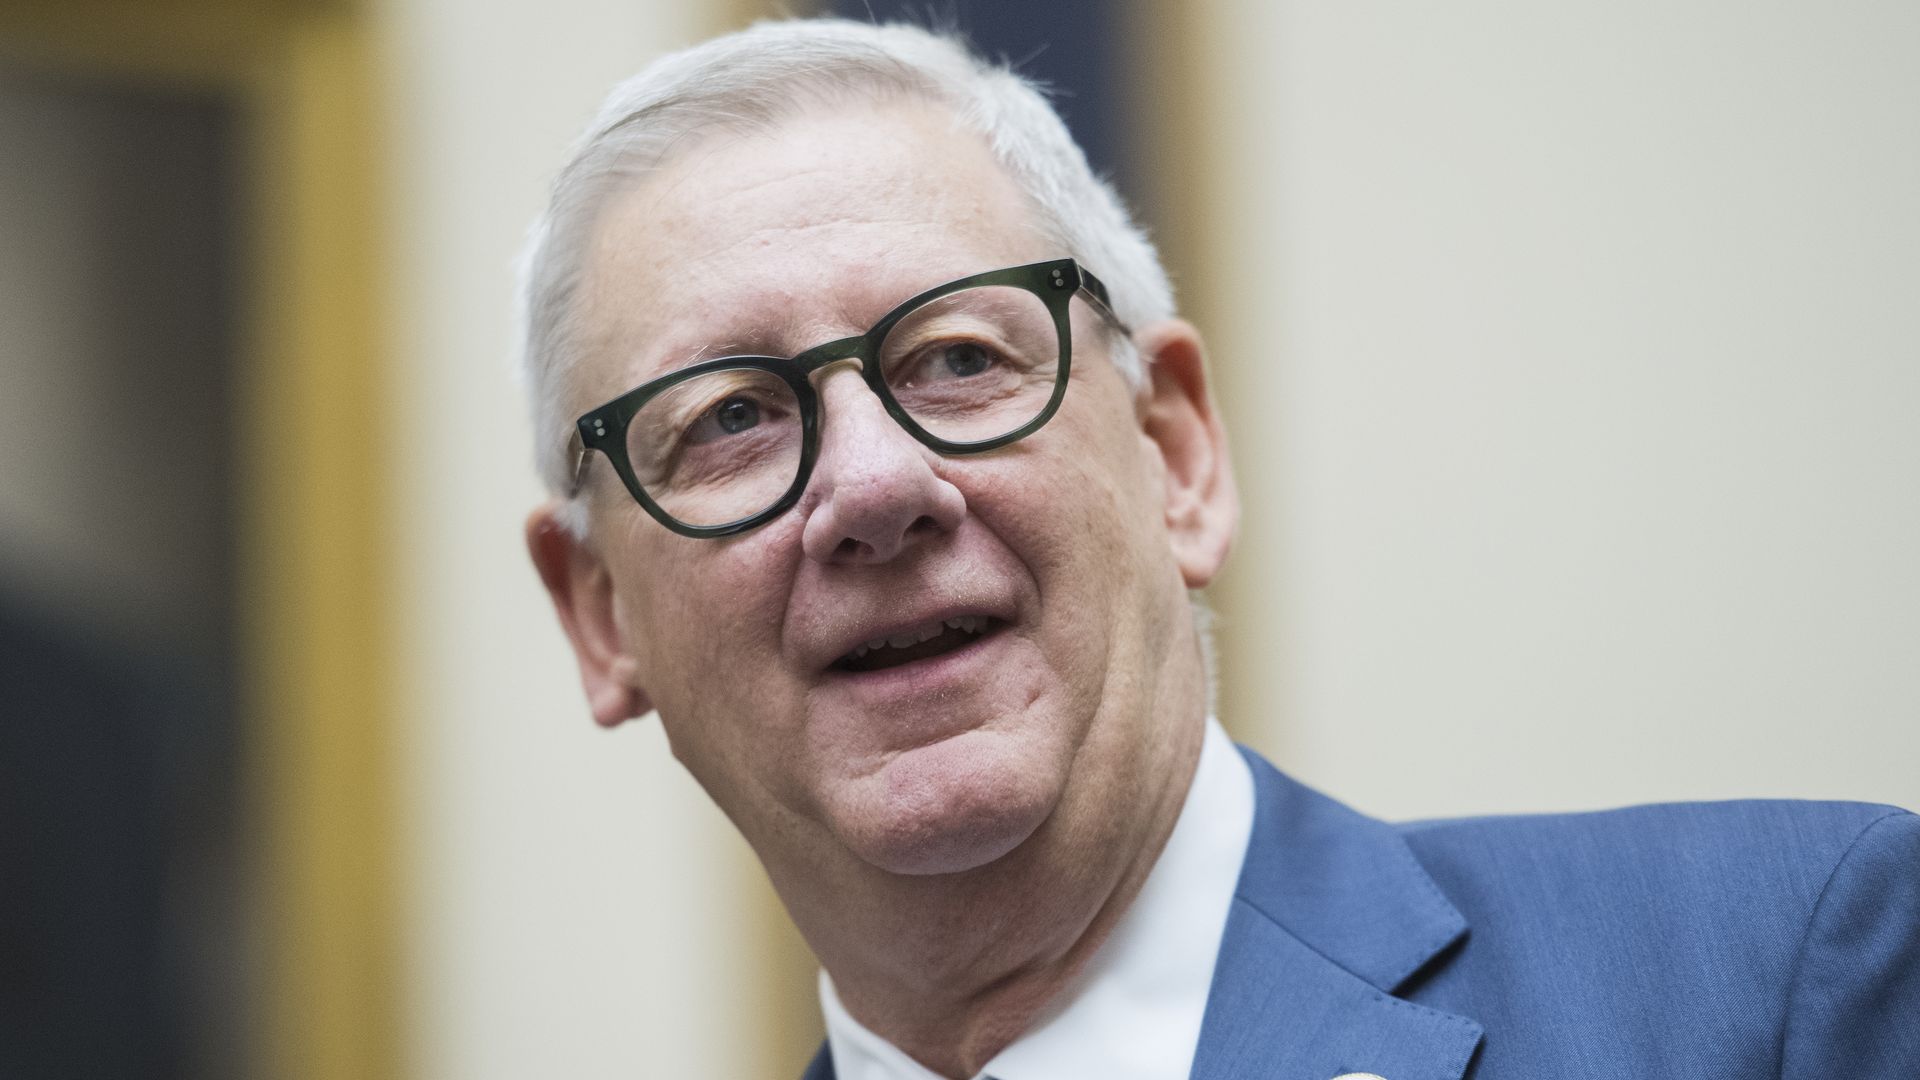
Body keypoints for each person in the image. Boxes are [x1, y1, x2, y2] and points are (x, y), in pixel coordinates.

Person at [519, 19, 1919, 1080]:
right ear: (600, 616)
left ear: (1176, 455)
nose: (877, 486)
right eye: (732, 419)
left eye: (958, 358)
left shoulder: (1785, 970)